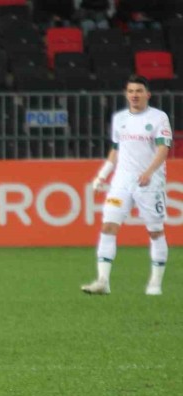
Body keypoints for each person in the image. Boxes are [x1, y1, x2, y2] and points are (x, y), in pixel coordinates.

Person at [81, 75, 172, 296]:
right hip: (121, 182)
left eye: (139, 91)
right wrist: (102, 175)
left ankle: (155, 283)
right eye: (131, 91)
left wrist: (149, 172)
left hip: (150, 183)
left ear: (147, 94)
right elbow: (116, 149)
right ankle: (103, 281)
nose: (134, 95)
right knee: (108, 226)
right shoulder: (120, 118)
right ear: (126, 94)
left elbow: (163, 149)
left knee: (155, 231)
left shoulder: (159, 118)